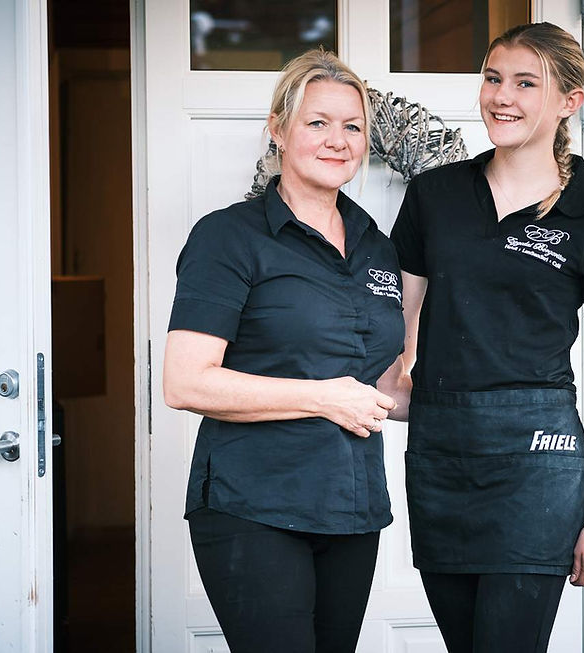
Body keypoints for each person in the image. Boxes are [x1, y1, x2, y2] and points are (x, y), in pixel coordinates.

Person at [388, 22, 584, 653]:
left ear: (569, 101)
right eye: (494, 78)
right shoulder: (434, 196)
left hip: (539, 454)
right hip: (441, 449)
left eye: (527, 83)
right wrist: (373, 393)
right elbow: (398, 328)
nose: (502, 96)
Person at [163, 49, 405, 653]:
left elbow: (382, 385)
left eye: (353, 126)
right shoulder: (229, 237)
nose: (338, 140)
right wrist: (323, 399)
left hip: (353, 508)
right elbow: (186, 382)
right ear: (278, 128)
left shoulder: (377, 247)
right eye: (317, 122)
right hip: (255, 505)